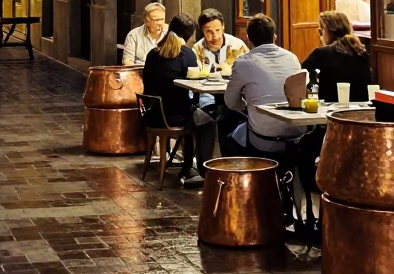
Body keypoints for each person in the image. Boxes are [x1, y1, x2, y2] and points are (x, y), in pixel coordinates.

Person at [141, 13, 215, 187]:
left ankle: (188, 167)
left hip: (152, 115)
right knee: (207, 122)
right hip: (175, 117)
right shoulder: (186, 54)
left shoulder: (153, 53)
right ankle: (201, 171)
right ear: (189, 36)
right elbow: (194, 84)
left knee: (193, 115)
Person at [224, 15, 304, 156]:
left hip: (263, 140)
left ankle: (239, 175)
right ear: (274, 36)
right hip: (297, 135)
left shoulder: (243, 63)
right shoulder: (292, 57)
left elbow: (230, 102)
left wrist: (249, 107)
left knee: (228, 130)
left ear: (248, 38)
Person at [303, 10, 371, 102]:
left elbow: (301, 77)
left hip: (329, 109)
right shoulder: (362, 53)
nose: (320, 35)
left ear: (328, 31)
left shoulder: (320, 54)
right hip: (361, 108)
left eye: (321, 30)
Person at [121, 2, 166, 66]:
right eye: (157, 20)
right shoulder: (133, 35)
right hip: (141, 74)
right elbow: (127, 62)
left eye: (162, 19)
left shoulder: (170, 34)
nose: (161, 23)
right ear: (147, 21)